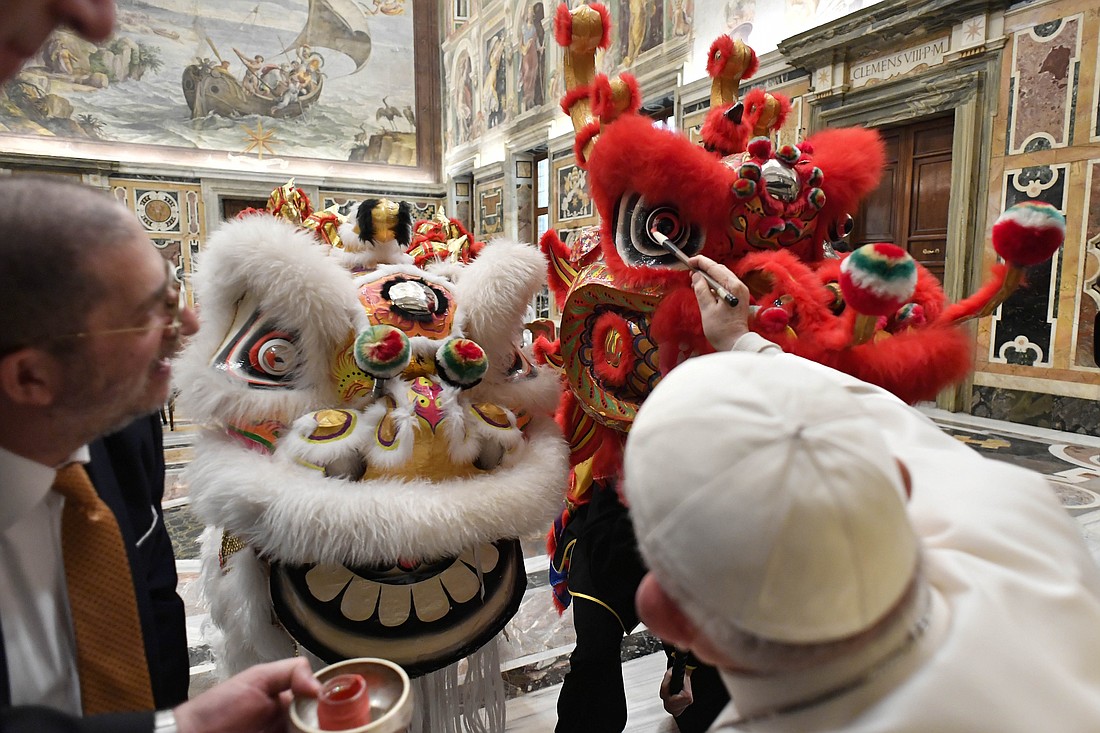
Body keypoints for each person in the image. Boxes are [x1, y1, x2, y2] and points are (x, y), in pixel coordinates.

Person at [623, 255, 1100, 731]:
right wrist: (743, 341)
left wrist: (737, 343)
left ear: (668, 616)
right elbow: (882, 415)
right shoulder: (1020, 528)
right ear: (899, 482)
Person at [0, 176, 321, 730]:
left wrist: (178, 722)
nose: (191, 328)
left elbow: (151, 592)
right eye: (155, 314)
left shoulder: (121, 427)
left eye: (176, 297)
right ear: (32, 377)